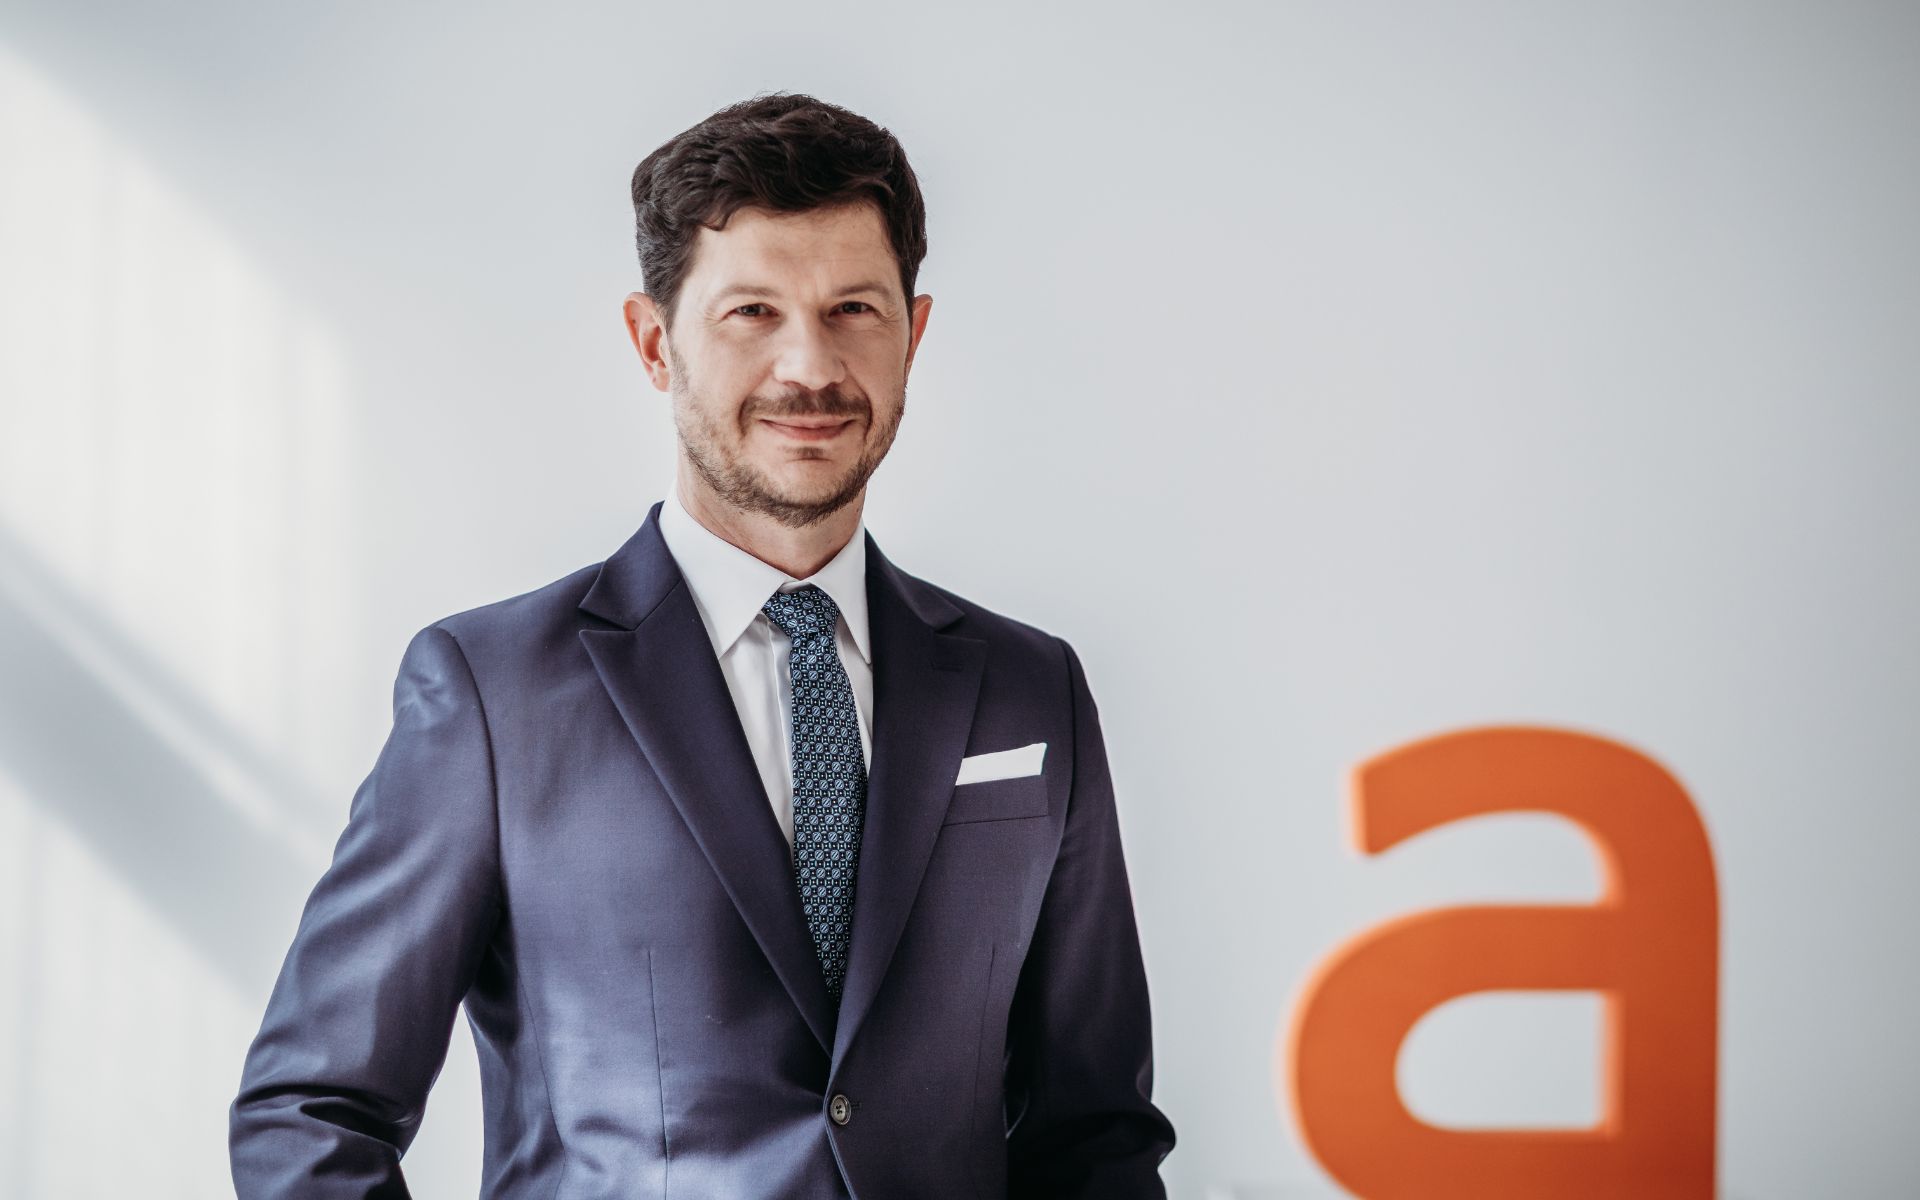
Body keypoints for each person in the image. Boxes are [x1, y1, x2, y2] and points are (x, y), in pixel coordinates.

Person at [229, 91, 1175, 1199]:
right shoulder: (495, 695)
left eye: (854, 309)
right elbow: (310, 1115)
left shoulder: (1029, 690)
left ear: (913, 335)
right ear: (654, 343)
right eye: (752, 313)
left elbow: (1096, 1139)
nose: (809, 366)